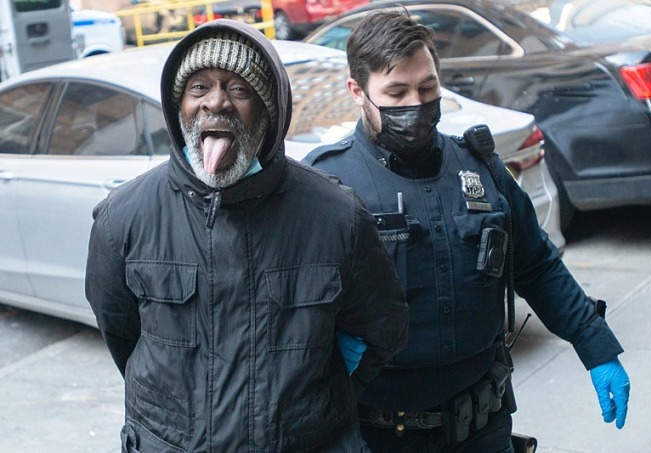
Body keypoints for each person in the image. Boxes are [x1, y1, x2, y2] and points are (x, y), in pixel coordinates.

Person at [303, 10, 631, 452]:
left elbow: (536, 265)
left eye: (428, 88)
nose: (416, 104)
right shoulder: (328, 185)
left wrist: (596, 346)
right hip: (378, 436)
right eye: (396, 93)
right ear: (357, 91)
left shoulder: (480, 168)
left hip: (483, 427)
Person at [85, 19, 409, 452]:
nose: (215, 102)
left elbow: (380, 331)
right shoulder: (123, 217)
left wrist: (314, 408)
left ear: (269, 111)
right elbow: (121, 335)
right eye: (198, 87)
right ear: (179, 106)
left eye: (239, 89)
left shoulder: (337, 217)